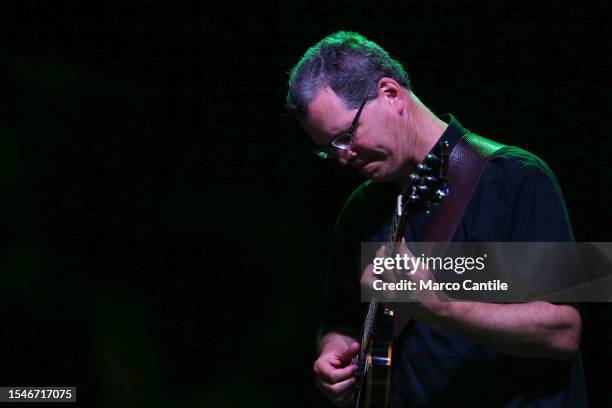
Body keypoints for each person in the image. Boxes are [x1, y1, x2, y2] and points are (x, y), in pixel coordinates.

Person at [286, 31, 587, 407]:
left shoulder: (514, 177)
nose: (344, 157)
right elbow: (341, 317)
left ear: (390, 93)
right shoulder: (360, 210)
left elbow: (564, 332)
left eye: (347, 136)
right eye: (329, 151)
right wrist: (333, 352)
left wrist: (440, 308)